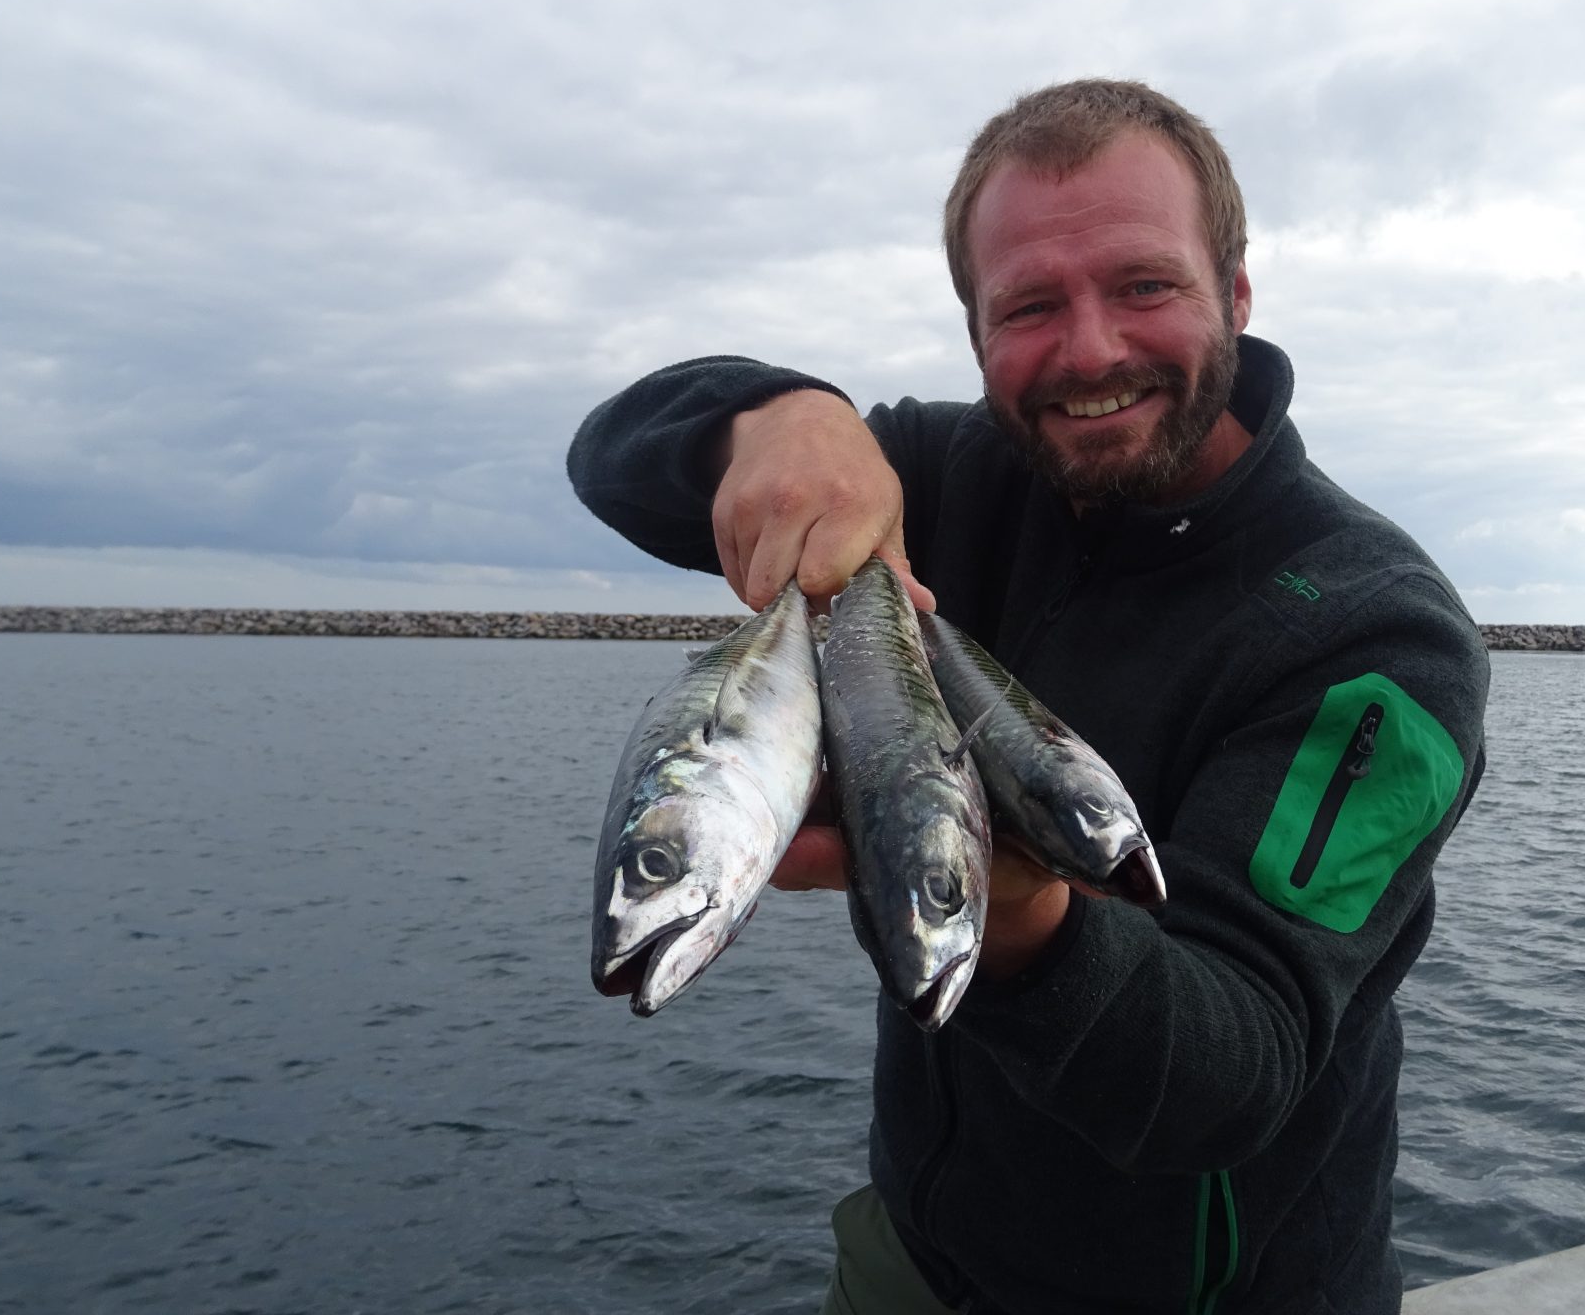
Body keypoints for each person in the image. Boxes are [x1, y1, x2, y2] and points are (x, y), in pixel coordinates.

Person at [568, 78, 1490, 1314]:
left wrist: (1002, 909)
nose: (1091, 349)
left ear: (1236, 294)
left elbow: (1233, 1067)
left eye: (1145, 285)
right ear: (976, 333)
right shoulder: (939, 476)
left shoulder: (1379, 641)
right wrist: (775, 416)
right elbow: (610, 457)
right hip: (914, 1264)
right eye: (1030, 306)